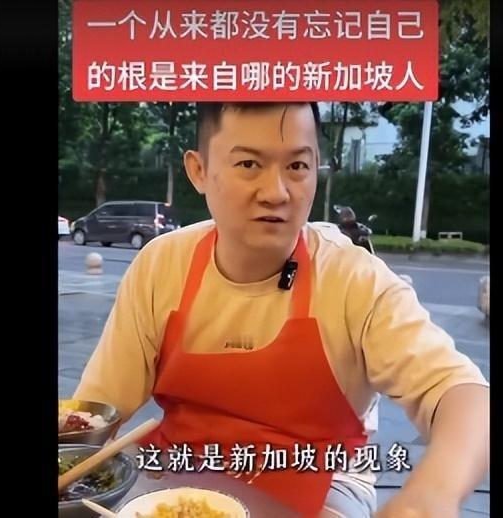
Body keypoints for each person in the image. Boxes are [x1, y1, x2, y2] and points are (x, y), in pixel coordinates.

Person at [74, 102, 489, 518]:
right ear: (198, 170)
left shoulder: (353, 277)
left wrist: (430, 496)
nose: (276, 192)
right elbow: (94, 413)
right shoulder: (162, 264)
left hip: (319, 478)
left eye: (297, 166)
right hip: (177, 467)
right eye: (249, 164)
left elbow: (461, 392)